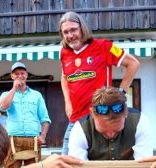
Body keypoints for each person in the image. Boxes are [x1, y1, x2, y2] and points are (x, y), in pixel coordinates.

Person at [59, 11, 140, 155]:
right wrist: (67, 102)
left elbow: (133, 63)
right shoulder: (64, 53)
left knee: (101, 166)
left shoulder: (104, 46)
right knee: (65, 165)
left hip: (102, 119)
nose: (70, 35)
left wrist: (121, 93)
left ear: (82, 28)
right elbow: (64, 77)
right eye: (65, 32)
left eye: (73, 30)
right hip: (76, 120)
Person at [0, 61, 51, 168]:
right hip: (13, 139)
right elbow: (3, 106)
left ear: (26, 75)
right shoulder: (7, 93)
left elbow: (45, 118)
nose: (20, 76)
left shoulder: (36, 96)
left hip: (33, 140)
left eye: (22, 73)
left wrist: (43, 135)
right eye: (16, 73)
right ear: (12, 76)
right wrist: (14, 88)